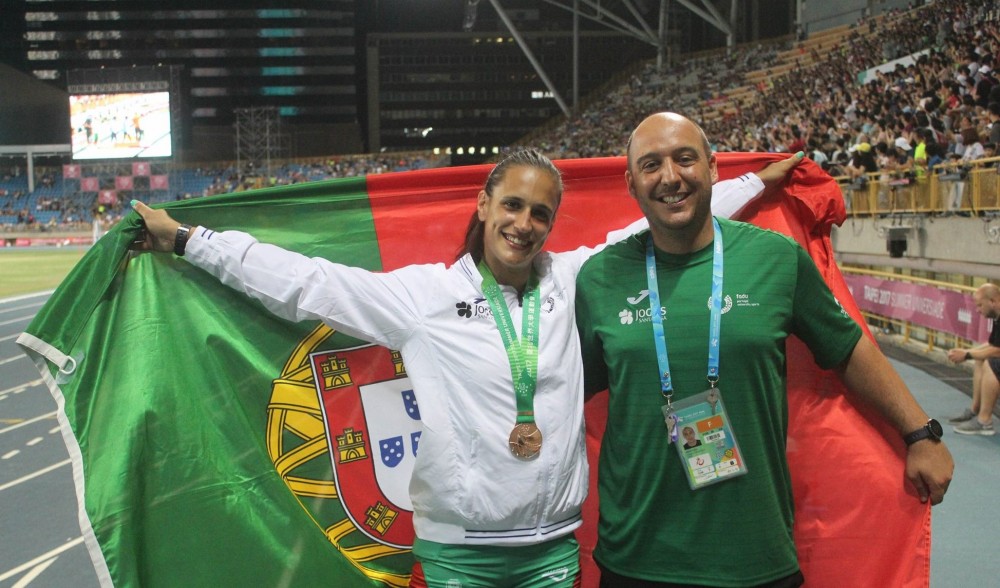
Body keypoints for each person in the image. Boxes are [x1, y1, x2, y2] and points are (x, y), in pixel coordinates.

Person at [130, 147, 804, 587]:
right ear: (483, 206)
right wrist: (191, 241)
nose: (525, 223)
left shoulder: (579, 279)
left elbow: (656, 225)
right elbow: (308, 283)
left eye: (542, 213)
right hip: (461, 556)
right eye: (512, 204)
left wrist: (749, 183)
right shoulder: (422, 297)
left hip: (552, 554)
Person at [574, 113, 954, 587]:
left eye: (684, 159)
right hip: (635, 558)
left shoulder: (775, 258)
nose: (670, 177)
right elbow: (567, 392)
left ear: (713, 168)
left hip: (756, 557)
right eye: (651, 165)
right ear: (632, 183)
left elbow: (849, 348)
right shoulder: (599, 277)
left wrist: (921, 434)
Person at [947, 283, 1000, 436]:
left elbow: (997, 351)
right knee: (980, 359)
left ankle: (984, 422)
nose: (978, 311)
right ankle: (975, 410)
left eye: (980, 306)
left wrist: (967, 355)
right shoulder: (997, 317)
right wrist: (967, 351)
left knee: (992, 363)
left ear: (993, 301)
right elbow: (992, 344)